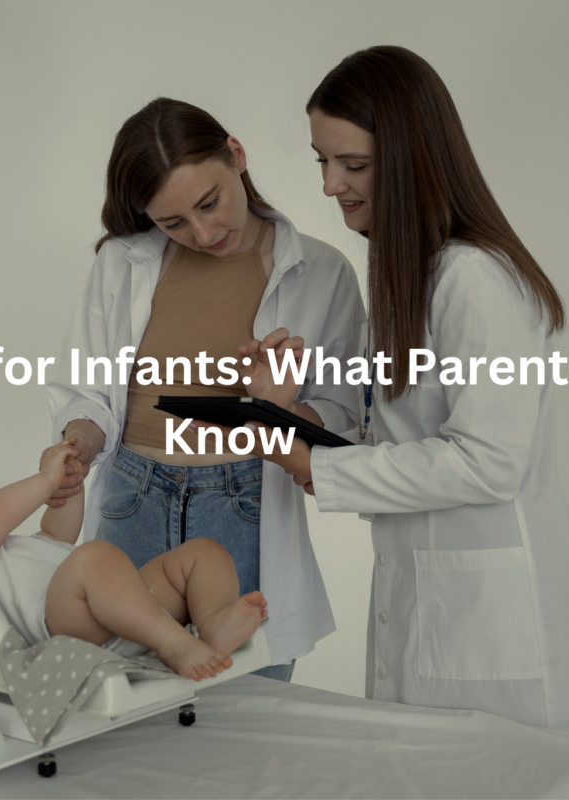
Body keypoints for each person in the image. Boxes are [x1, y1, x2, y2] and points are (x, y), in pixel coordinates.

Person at [234, 46, 569, 753]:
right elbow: (400, 449)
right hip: (430, 603)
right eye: (322, 161)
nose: (329, 185)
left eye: (352, 164)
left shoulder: (473, 278)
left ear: (410, 157)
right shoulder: (408, 273)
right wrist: (285, 418)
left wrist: (311, 466)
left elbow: (489, 462)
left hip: (486, 621)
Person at [45, 98, 366, 680]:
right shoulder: (123, 263)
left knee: (243, 721)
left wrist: (282, 406)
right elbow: (86, 394)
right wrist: (77, 447)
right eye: (173, 223)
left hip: (242, 507)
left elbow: (345, 420)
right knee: (118, 710)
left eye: (209, 202)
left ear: (236, 156)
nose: (202, 232)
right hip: (131, 501)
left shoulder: (323, 273)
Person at [0, 439, 268, 681]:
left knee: (202, 552)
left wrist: (67, 489)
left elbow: (56, 535)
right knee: (93, 556)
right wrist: (44, 480)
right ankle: (174, 643)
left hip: (124, 606)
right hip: (69, 624)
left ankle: (212, 621)